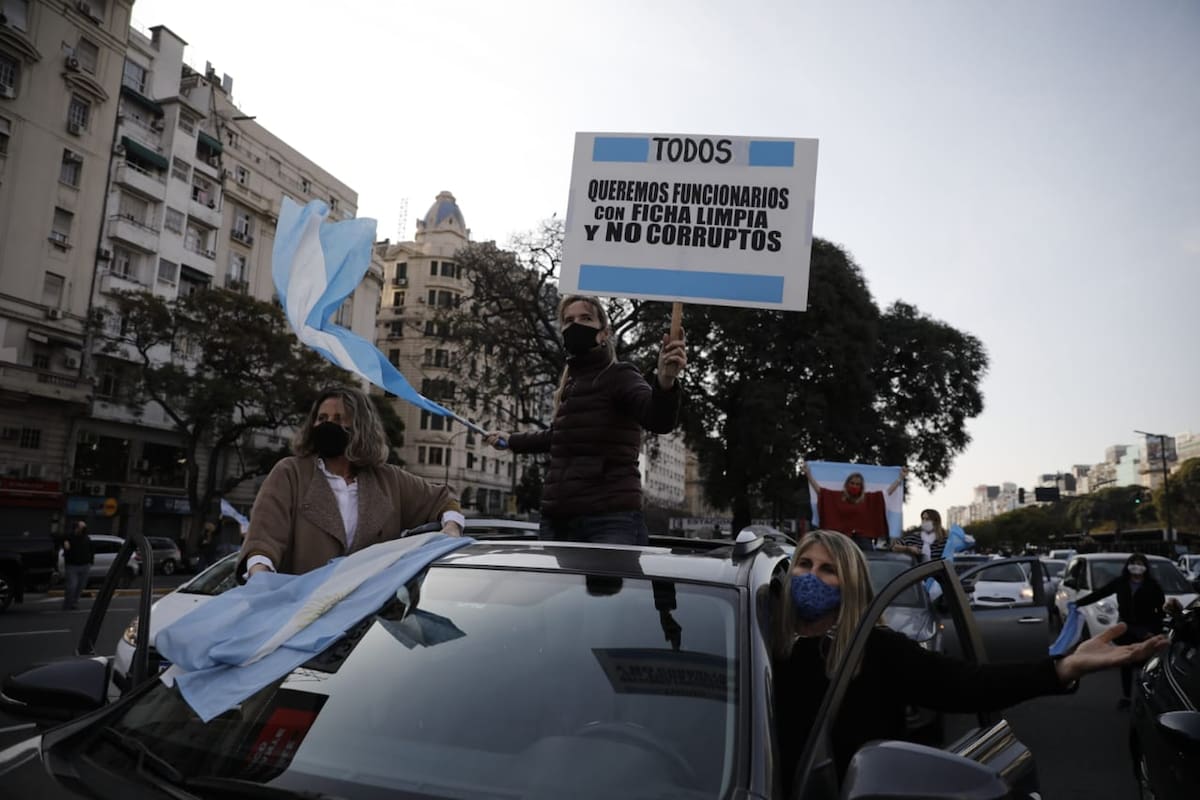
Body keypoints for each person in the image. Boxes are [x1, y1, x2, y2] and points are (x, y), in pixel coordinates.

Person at [774, 530, 1166, 788]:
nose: (811, 577)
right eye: (805, 565)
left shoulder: (877, 650)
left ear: (852, 583)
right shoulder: (765, 644)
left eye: (828, 570)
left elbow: (969, 685)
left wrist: (1064, 667)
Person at [483, 295, 685, 545]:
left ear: (604, 333)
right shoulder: (570, 385)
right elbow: (557, 437)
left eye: (585, 318)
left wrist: (665, 381)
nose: (575, 325)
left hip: (609, 520)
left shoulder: (620, 375)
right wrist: (511, 440)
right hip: (558, 520)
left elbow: (658, 420)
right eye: (568, 321)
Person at [239, 385, 465, 578]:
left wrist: (451, 528)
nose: (328, 425)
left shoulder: (388, 479)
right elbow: (263, 541)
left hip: (369, 621)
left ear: (359, 428)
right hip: (301, 614)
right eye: (322, 419)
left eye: (339, 419)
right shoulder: (290, 473)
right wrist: (260, 575)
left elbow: (444, 500)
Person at [1074, 552, 1167, 708]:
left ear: (1145, 567)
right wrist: (1077, 603)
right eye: (1133, 563)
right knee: (1126, 662)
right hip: (1126, 629)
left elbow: (1160, 611)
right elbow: (1100, 593)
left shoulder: (1153, 586)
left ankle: (1146, 698)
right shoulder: (1121, 583)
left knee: (1146, 666)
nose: (1136, 566)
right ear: (1128, 566)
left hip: (1146, 631)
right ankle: (1127, 697)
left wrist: (1154, 630)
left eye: (1140, 563)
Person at [803, 463, 904, 550]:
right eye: (852, 483)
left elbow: (887, 493)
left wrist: (900, 478)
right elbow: (821, 492)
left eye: (857, 484)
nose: (855, 486)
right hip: (841, 540)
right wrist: (809, 475)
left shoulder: (868, 499)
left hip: (863, 541)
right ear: (847, 484)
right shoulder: (837, 497)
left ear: (861, 486)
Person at [61, 520, 94, 611]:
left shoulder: (86, 538)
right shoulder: (69, 537)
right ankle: (67, 603)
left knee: (81, 586)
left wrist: (90, 561)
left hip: (85, 565)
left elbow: (91, 550)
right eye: (82, 527)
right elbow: (58, 537)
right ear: (77, 528)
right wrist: (65, 542)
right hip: (72, 565)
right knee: (72, 585)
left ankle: (74, 603)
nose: (84, 529)